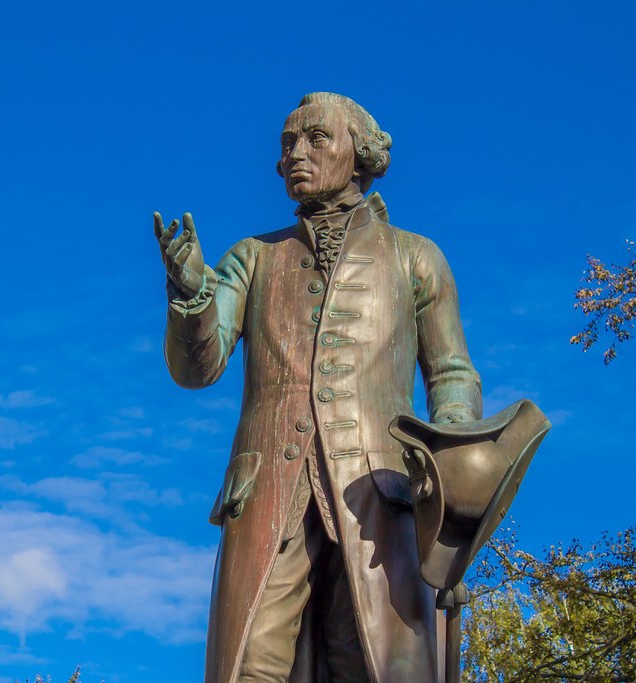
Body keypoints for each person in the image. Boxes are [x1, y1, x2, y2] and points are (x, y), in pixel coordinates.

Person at [154, 92, 482, 683]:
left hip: (381, 497)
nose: (294, 155)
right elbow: (197, 368)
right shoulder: (253, 257)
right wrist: (193, 294)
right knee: (250, 665)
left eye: (315, 138)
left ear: (359, 152)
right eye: (287, 144)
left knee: (374, 664)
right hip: (267, 495)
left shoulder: (415, 257)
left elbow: (452, 376)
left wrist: (452, 496)